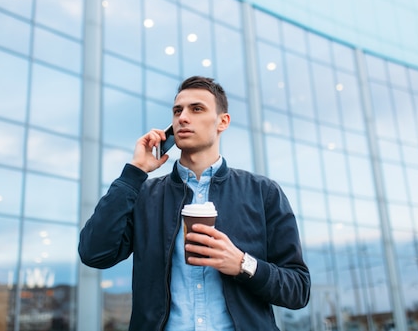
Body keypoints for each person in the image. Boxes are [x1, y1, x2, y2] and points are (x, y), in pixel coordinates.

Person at [79, 76, 310, 331]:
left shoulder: (263, 192)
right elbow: (94, 254)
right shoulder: (145, 195)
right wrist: (134, 172)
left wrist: (243, 264)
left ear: (223, 121)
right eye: (178, 111)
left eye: (196, 109)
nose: (183, 118)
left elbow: (298, 289)